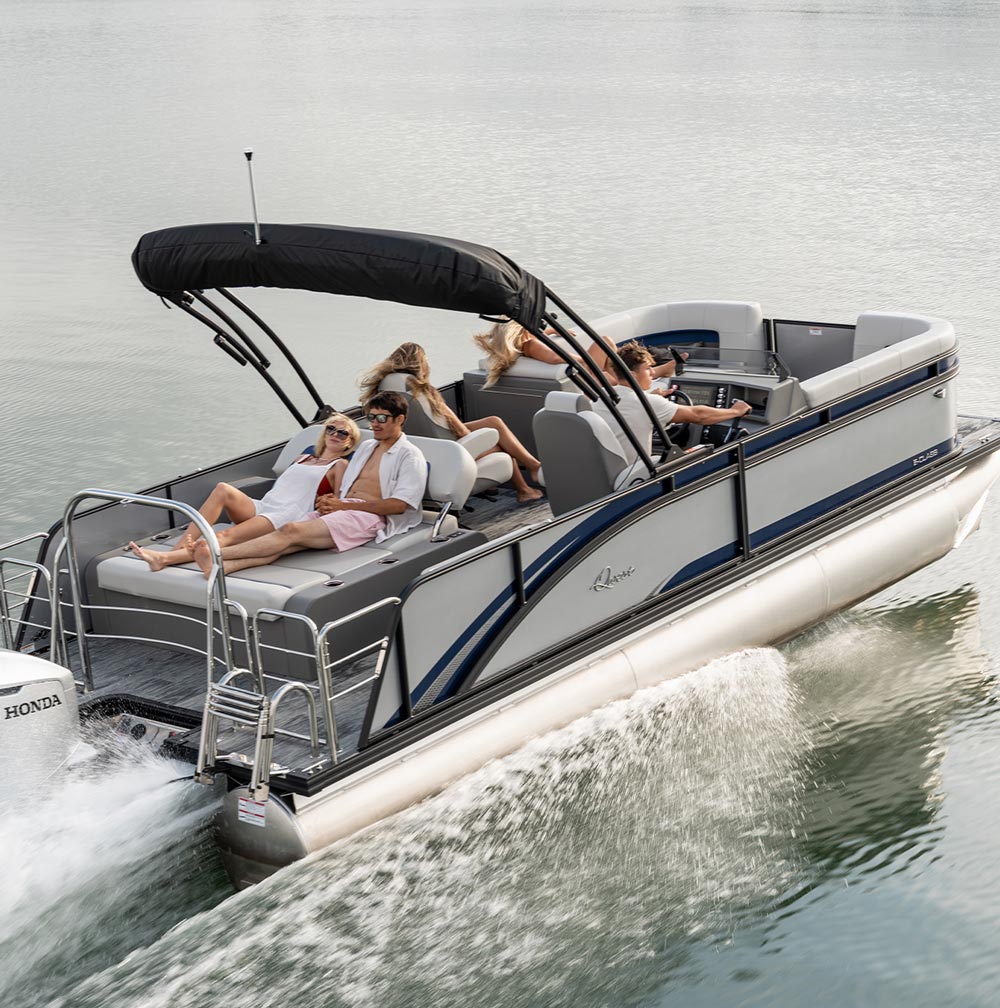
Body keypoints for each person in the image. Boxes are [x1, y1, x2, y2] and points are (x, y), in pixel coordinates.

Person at [191, 391, 427, 577]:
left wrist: (342, 507)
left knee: (290, 531)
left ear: (400, 419)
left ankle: (215, 553)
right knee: (285, 545)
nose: (374, 423)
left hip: (367, 517)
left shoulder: (409, 455)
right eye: (372, 417)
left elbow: (398, 505)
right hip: (345, 509)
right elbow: (346, 488)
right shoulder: (367, 447)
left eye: (382, 418)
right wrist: (330, 501)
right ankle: (221, 569)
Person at [129, 414, 361, 572]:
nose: (335, 434)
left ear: (349, 443)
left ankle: (164, 559)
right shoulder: (303, 457)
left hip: (285, 515)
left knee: (222, 537)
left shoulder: (339, 465)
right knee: (223, 489)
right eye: (331, 429)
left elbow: (339, 500)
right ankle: (180, 546)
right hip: (265, 505)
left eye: (343, 433)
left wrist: (329, 502)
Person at [360, 342, 544, 503]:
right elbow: (459, 429)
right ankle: (526, 487)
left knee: (494, 422)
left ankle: (507, 481)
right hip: (450, 448)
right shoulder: (421, 388)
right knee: (501, 444)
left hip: (423, 445)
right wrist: (477, 439)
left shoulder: (386, 387)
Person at [593, 341, 752, 465]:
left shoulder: (603, 397)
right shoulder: (648, 403)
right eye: (648, 369)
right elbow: (699, 415)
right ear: (633, 375)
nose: (653, 373)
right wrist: (736, 411)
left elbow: (632, 406)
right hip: (635, 475)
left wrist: (652, 396)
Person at [473, 318, 684, 389]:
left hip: (580, 378)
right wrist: (584, 359)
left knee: (607, 354)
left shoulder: (522, 345)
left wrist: (548, 332)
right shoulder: (531, 344)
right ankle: (653, 373)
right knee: (605, 342)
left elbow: (538, 348)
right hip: (586, 379)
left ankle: (652, 372)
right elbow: (554, 357)